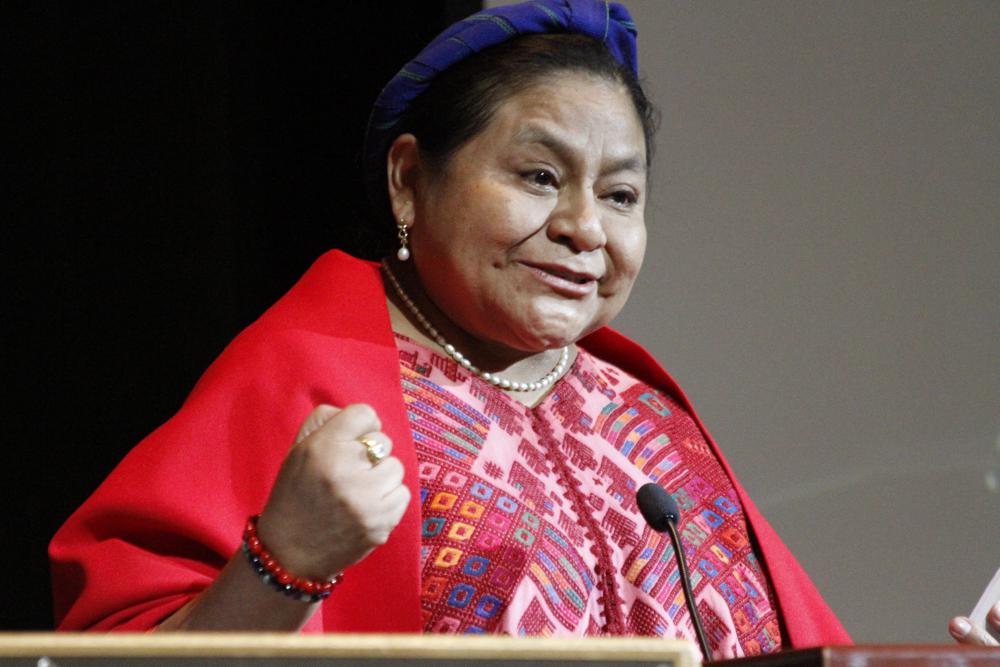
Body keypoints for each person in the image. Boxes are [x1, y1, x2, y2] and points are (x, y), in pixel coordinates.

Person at [49, 0, 998, 657]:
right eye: (540, 177)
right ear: (408, 181)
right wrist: (283, 563)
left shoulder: (648, 417)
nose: (587, 228)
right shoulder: (303, 378)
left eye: (620, 195)